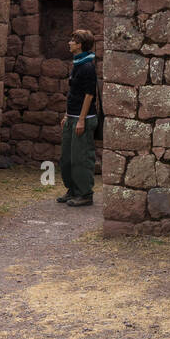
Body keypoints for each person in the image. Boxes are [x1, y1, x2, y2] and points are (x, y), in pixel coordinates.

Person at [59, 28, 98, 207]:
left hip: (84, 118)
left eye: (72, 41)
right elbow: (74, 93)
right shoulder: (77, 63)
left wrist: (81, 119)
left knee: (81, 158)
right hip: (72, 116)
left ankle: (85, 194)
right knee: (67, 158)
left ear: (80, 44)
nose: (69, 43)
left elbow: (89, 95)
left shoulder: (88, 66)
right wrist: (68, 115)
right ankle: (72, 190)